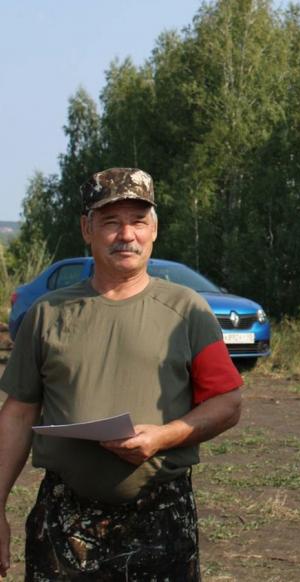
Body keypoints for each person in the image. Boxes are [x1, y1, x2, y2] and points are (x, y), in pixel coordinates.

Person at [0, 167, 243, 580]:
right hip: (65, 523)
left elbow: (228, 403)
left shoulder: (187, 310)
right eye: (111, 222)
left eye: (138, 221)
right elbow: (18, 414)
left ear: (154, 230)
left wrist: (163, 437)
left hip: (159, 519)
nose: (126, 234)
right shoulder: (47, 314)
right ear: (86, 229)